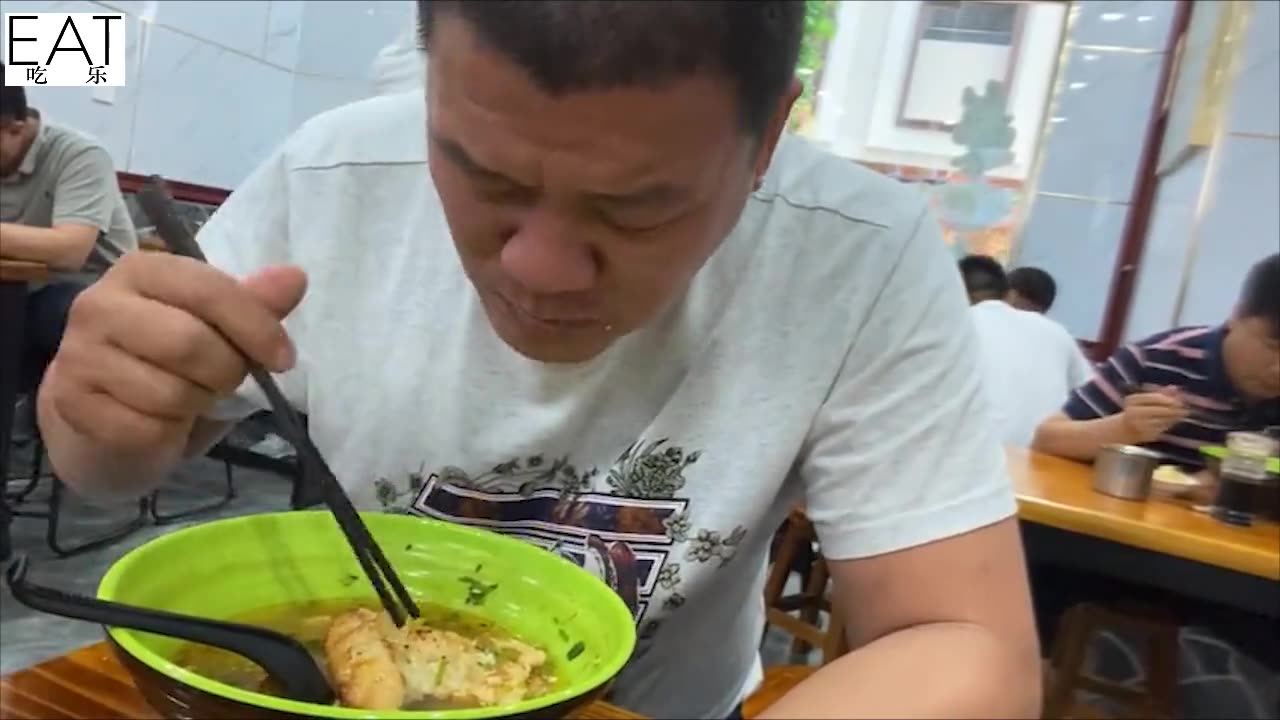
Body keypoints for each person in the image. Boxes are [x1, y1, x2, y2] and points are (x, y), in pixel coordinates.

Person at [37, 3, 1041, 718]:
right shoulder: (331, 176)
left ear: (768, 136)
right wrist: (97, 424)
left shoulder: (856, 250)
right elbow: (112, 464)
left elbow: (966, 644)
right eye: (481, 175)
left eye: (635, 205)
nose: (539, 270)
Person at [1034, 253, 1280, 469]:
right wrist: (1123, 429)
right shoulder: (1155, 359)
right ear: (1236, 315)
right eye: (1273, 347)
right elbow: (1048, 439)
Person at [1, 75, 138, 391]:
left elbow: (70, 249)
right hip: (23, 292)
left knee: (46, 313)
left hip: (93, 292)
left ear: (16, 130)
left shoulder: (80, 156)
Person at [960, 255, 1093, 448]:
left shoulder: (955, 324)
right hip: (1046, 462)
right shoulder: (1056, 331)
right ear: (1008, 295)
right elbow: (1089, 393)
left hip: (976, 455)